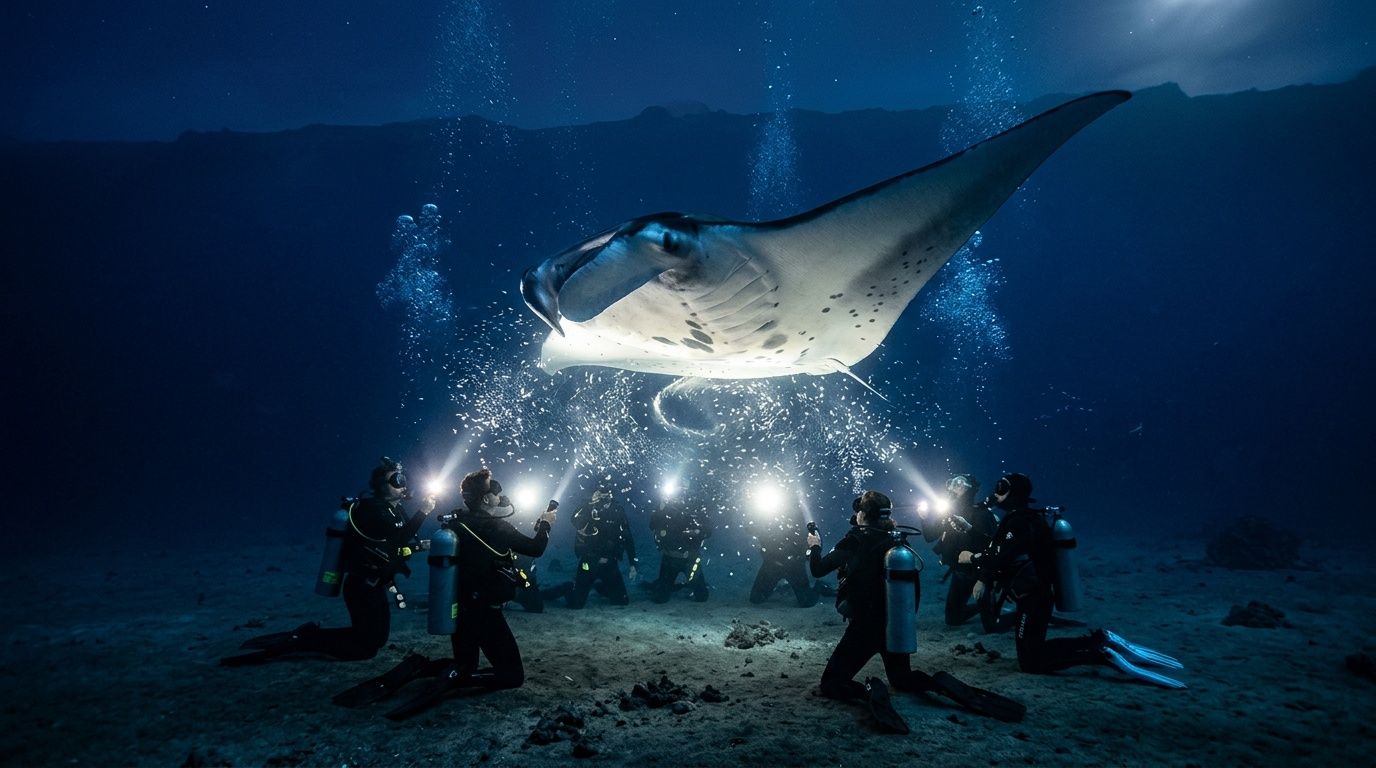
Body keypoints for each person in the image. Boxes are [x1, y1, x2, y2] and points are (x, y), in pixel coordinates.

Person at [808, 490, 1025, 733]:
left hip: (865, 628)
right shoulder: (896, 541)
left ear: (863, 514)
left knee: (831, 683)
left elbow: (818, 570)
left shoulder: (856, 540)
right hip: (896, 625)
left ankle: (871, 689)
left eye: (859, 510)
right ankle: (942, 684)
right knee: (903, 680)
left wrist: (815, 547)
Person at [958, 473, 1186, 688]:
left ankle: (1099, 652)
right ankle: (1102, 641)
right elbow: (1002, 548)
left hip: (1033, 598)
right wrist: (971, 532)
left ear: (1013, 493)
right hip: (1038, 595)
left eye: (1002, 488)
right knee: (1033, 651)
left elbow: (999, 557)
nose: (996, 494)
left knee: (1031, 661)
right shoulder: (1029, 519)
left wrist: (972, 558)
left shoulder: (1018, 523)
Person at [380, 467, 559, 719]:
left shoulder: (457, 522)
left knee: (466, 663)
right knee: (512, 676)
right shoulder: (496, 528)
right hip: (485, 614)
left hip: (459, 609)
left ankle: (423, 668)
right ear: (485, 499)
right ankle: (451, 679)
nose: (499, 493)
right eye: (494, 489)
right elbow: (535, 548)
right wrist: (546, 526)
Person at [222, 457, 435, 666]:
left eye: (402, 479)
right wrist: (423, 512)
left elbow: (399, 543)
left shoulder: (395, 509)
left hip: (377, 584)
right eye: (395, 480)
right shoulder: (371, 509)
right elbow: (396, 539)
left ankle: (308, 636)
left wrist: (421, 545)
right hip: (362, 586)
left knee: (377, 640)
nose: (401, 484)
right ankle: (302, 642)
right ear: (380, 486)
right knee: (365, 649)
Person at [924, 474, 998, 627]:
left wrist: (983, 580)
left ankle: (993, 605)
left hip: (980, 570)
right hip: (960, 571)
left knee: (991, 627)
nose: (954, 487)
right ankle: (987, 606)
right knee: (952, 619)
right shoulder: (947, 513)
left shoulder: (981, 514)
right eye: (952, 483)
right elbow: (930, 536)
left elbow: (993, 549)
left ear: (970, 490)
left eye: (960, 484)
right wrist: (924, 518)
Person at [559, 484, 638, 608]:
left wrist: (633, 564)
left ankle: (601, 587)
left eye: (607, 497)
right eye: (602, 497)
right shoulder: (589, 509)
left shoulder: (618, 511)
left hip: (610, 564)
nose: (605, 501)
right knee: (576, 604)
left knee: (622, 601)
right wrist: (588, 503)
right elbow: (574, 520)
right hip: (588, 563)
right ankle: (568, 588)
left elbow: (628, 538)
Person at [749, 494, 818, 607]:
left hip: (795, 566)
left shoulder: (799, 516)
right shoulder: (766, 516)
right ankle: (781, 588)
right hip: (771, 565)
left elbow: (808, 538)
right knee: (756, 598)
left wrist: (805, 554)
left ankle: (818, 586)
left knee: (806, 602)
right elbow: (753, 529)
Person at [649, 481, 711, 603]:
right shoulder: (665, 507)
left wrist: (698, 532)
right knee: (660, 598)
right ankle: (665, 585)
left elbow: (709, 531)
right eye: (677, 489)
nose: (680, 493)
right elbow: (652, 525)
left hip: (690, 559)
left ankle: (688, 584)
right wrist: (660, 510)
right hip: (670, 558)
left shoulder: (697, 507)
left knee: (702, 597)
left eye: (683, 489)